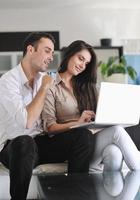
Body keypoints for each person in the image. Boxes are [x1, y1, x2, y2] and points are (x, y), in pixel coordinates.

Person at [0, 32, 92, 200]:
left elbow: (49, 121)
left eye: (52, 52)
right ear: (30, 49)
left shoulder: (44, 78)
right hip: (14, 147)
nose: (51, 57)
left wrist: (78, 122)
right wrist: (43, 89)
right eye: (47, 51)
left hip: (40, 144)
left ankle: (75, 195)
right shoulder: (8, 81)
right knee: (24, 141)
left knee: (82, 136)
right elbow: (26, 122)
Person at [42, 40, 140, 173]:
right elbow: (50, 128)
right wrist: (77, 122)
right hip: (71, 144)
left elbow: (104, 113)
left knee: (114, 152)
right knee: (116, 132)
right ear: (69, 55)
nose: (82, 65)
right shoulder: (51, 86)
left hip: (93, 138)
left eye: (86, 63)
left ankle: (100, 189)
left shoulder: (89, 87)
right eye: (80, 59)